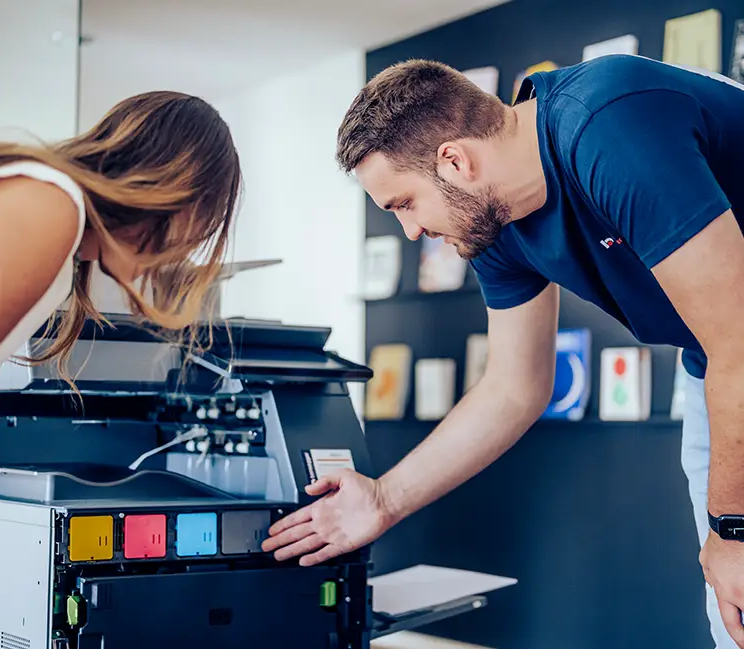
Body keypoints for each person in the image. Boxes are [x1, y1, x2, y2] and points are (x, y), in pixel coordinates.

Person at [260, 54, 744, 648]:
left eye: (404, 205)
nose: (410, 232)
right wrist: (383, 500)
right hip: (715, 366)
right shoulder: (492, 223)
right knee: (734, 618)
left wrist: (733, 530)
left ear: (455, 161)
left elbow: (739, 341)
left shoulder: (605, 125)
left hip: (736, 352)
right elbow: (515, 387)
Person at [0, 90, 241, 392]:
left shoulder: (61, 239)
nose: (179, 254)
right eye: (198, 230)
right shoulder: (50, 209)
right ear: (174, 197)